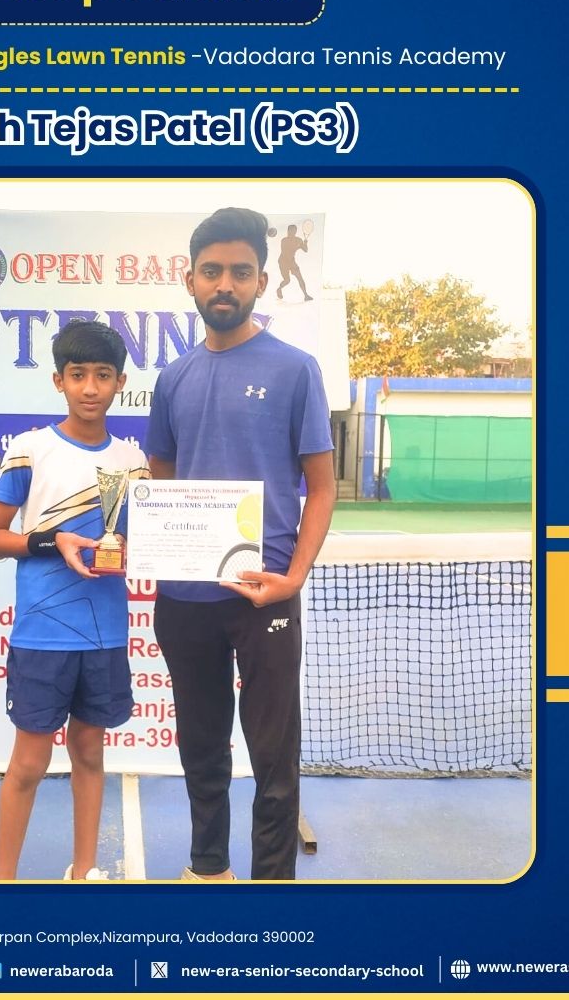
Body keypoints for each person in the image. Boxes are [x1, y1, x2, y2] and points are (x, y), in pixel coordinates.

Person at [146, 207, 335, 881]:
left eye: (240, 272)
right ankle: (208, 870)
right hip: (184, 598)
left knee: (273, 757)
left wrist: (294, 578)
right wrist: (165, 546)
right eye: (212, 271)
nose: (224, 284)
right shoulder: (172, 378)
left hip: (265, 597)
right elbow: (161, 479)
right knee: (202, 750)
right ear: (190, 281)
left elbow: (323, 488)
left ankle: (270, 888)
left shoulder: (296, 369)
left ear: (260, 281)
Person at [0, 320, 149, 880]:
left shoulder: (134, 462)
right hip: (41, 635)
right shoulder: (30, 450)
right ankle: (3, 883)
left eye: (103, 375)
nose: (90, 388)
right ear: (59, 381)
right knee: (29, 764)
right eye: (78, 375)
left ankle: (84, 872)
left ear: (120, 382)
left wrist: (142, 550)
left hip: (105, 634)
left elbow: (143, 542)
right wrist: (55, 540)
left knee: (90, 754)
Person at [276, 223, 313, 302]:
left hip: (292, 262)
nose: (292, 232)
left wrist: (305, 243)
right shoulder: (284, 240)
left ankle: (306, 295)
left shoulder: (298, 240)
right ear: (288, 231)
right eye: (290, 231)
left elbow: (305, 250)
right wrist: (297, 246)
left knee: (300, 278)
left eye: (294, 231)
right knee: (287, 280)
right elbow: (285, 252)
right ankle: (279, 289)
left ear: (295, 232)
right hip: (283, 262)